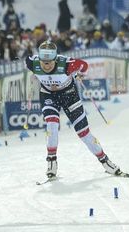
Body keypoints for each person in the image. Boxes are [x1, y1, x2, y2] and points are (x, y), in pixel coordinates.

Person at [25, 41, 123, 178]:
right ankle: (51, 162)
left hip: (69, 95)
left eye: (50, 62)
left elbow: (84, 66)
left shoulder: (67, 64)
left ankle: (105, 161)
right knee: (52, 125)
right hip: (48, 95)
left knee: (84, 133)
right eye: (43, 62)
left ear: (55, 59)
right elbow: (26, 61)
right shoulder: (32, 63)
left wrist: (79, 72)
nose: (46, 65)